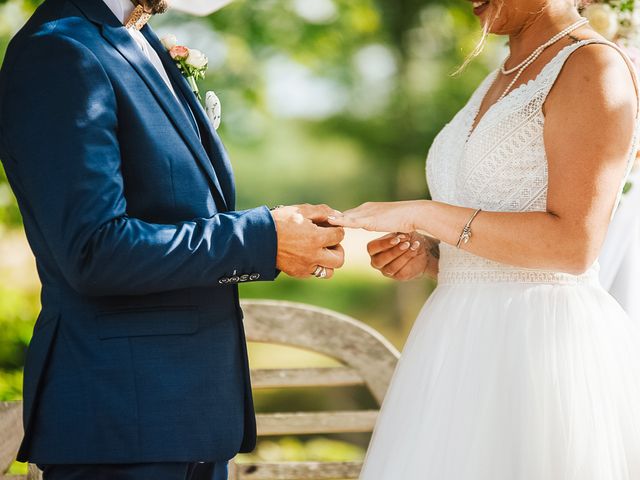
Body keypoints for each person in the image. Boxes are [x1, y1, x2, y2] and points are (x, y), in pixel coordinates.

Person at [0, 0, 345, 479]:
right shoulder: (59, 51)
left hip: (191, 420)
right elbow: (94, 250)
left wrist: (280, 231)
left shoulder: (138, 39)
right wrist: (265, 240)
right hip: (121, 425)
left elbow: (177, 207)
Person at [329, 0, 640, 477]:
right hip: (454, 345)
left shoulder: (592, 66)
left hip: (539, 350)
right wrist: (431, 255)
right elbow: (490, 227)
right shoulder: (503, 72)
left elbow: (573, 247)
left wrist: (423, 213)